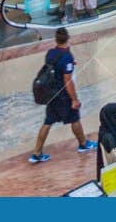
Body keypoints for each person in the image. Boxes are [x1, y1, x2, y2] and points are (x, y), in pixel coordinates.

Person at [30, 28, 96, 163]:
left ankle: (36, 153)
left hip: (52, 94)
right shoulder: (67, 57)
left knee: (48, 122)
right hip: (63, 96)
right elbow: (68, 81)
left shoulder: (51, 53)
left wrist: (69, 61)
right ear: (68, 38)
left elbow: (56, 67)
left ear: (56, 39)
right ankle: (83, 144)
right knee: (75, 119)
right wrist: (74, 99)